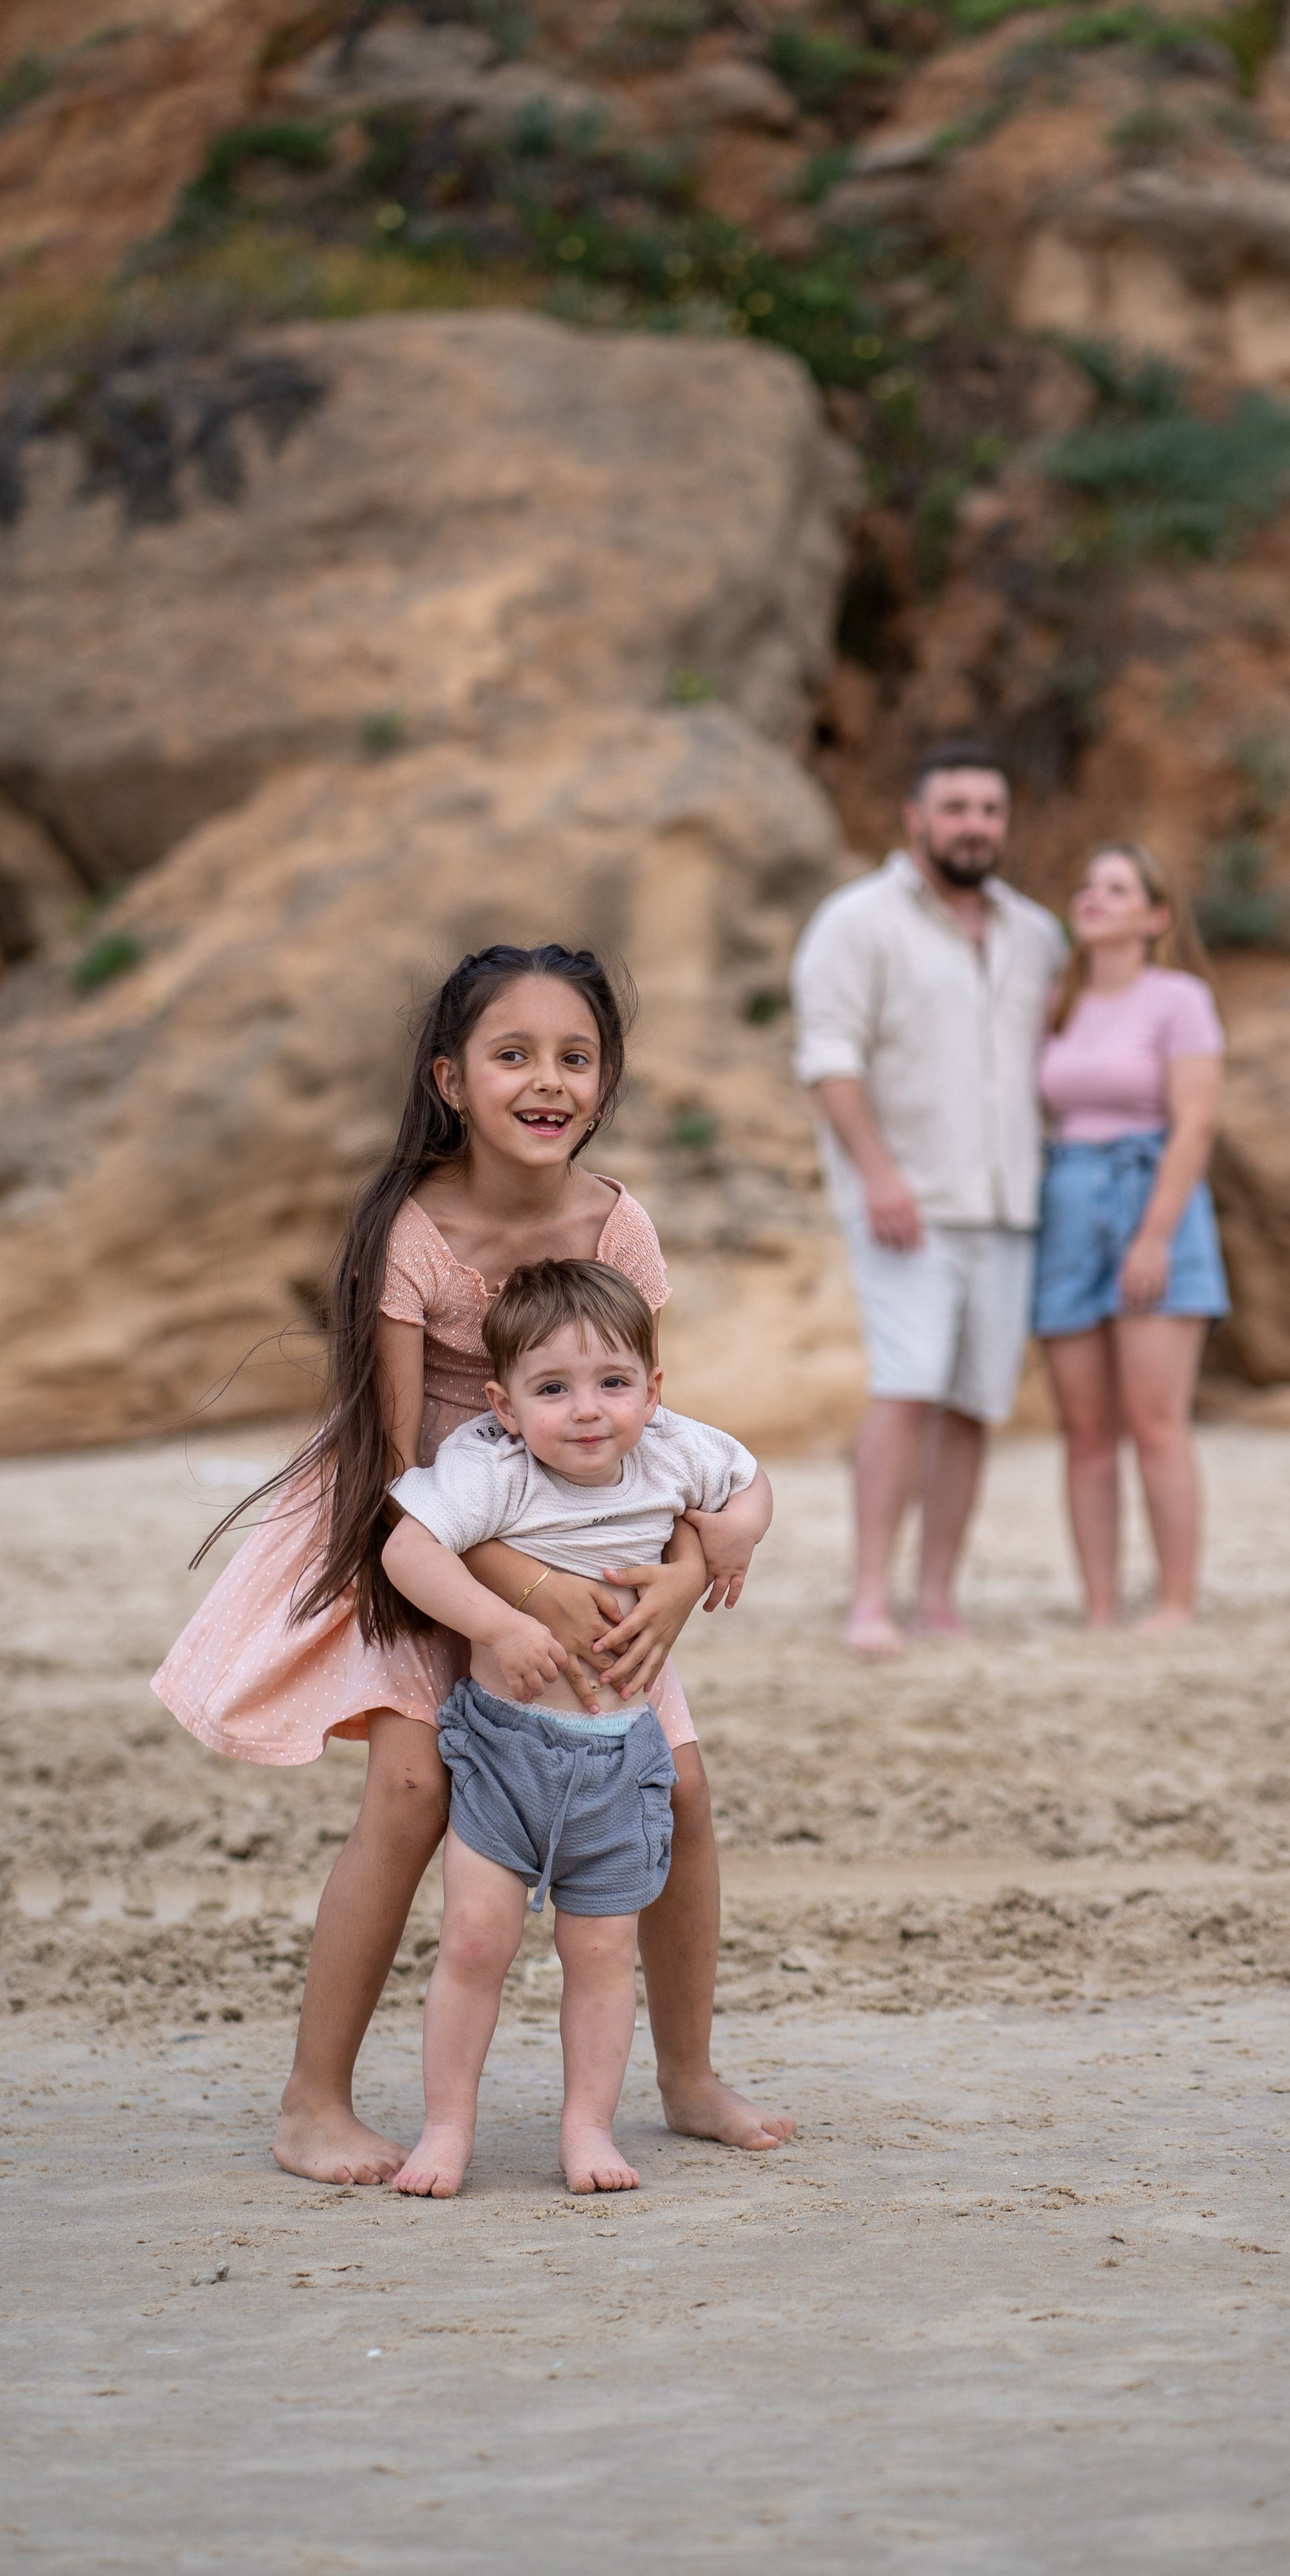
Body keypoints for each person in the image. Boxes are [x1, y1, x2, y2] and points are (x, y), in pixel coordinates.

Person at [154, 942, 793, 2184]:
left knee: (685, 1790)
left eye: (575, 1057)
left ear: (603, 1084)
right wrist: (525, 1590)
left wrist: (672, 1575)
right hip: (424, 1539)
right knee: (409, 1789)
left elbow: (652, 1430)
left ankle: (689, 2075)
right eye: (514, 1055)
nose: (546, 1080)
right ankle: (311, 2101)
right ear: (451, 1078)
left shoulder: (617, 1223)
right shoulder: (412, 1226)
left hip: (591, 1533)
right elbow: (397, 1466)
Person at [381, 1257, 769, 2198]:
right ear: (504, 1405)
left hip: (619, 1759)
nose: (587, 1409)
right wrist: (501, 1624)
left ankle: (588, 2127)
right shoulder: (495, 1467)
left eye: (613, 1384)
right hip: (505, 1751)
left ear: (654, 1391)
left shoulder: (673, 1450)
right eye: (552, 1389)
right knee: (475, 1939)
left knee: (600, 1955)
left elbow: (750, 1480)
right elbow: (406, 1548)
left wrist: (733, 1536)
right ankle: (446, 2127)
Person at [791, 742, 1065, 1657]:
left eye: (990, 809)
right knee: (906, 1389)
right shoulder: (857, 921)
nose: (975, 825)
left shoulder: (1035, 933)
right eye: (956, 808)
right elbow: (829, 1056)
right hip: (906, 1204)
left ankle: (939, 1593)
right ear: (915, 817)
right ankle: (870, 1594)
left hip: (1008, 1205)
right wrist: (878, 1172)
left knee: (975, 1404)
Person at [1032, 844, 1228, 1632]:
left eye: (1116, 889)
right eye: (1086, 884)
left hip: (1152, 1198)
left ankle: (1176, 1600)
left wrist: (1152, 1237)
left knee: (1155, 1421)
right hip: (1068, 1205)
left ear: (1155, 917)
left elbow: (1197, 1124)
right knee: (1083, 1429)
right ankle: (1100, 1605)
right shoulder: (1057, 1002)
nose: (1093, 897)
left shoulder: (1179, 998)